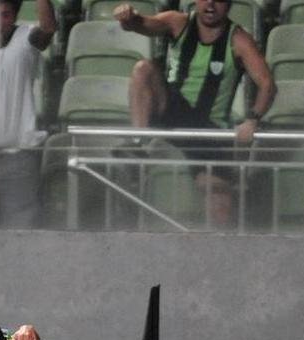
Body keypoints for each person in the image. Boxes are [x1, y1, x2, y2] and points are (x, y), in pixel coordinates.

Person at [113, 0, 275, 228]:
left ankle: (219, 256)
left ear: (228, 4)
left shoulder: (238, 39)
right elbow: (142, 24)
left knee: (220, 203)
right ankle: (138, 146)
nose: (210, 4)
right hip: (173, 112)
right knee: (143, 70)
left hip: (208, 130)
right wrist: (128, 18)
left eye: (218, 0)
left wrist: (252, 119)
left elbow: (267, 84)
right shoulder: (177, 22)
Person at [0, 0, 55, 228]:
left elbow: (48, 29)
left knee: (21, 233)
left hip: (18, 158)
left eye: (5, 15)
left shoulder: (26, 39)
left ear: (15, 16)